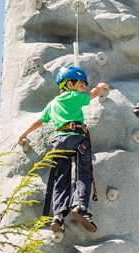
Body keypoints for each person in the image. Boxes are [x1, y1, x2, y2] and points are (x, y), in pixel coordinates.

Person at [17, 65, 108, 235]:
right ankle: (79, 207)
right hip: (77, 138)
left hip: (58, 142)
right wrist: (101, 86)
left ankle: (58, 216)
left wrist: (23, 134)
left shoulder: (52, 104)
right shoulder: (75, 96)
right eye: (81, 84)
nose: (83, 88)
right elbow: (92, 95)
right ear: (70, 84)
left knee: (61, 178)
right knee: (82, 173)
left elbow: (39, 122)